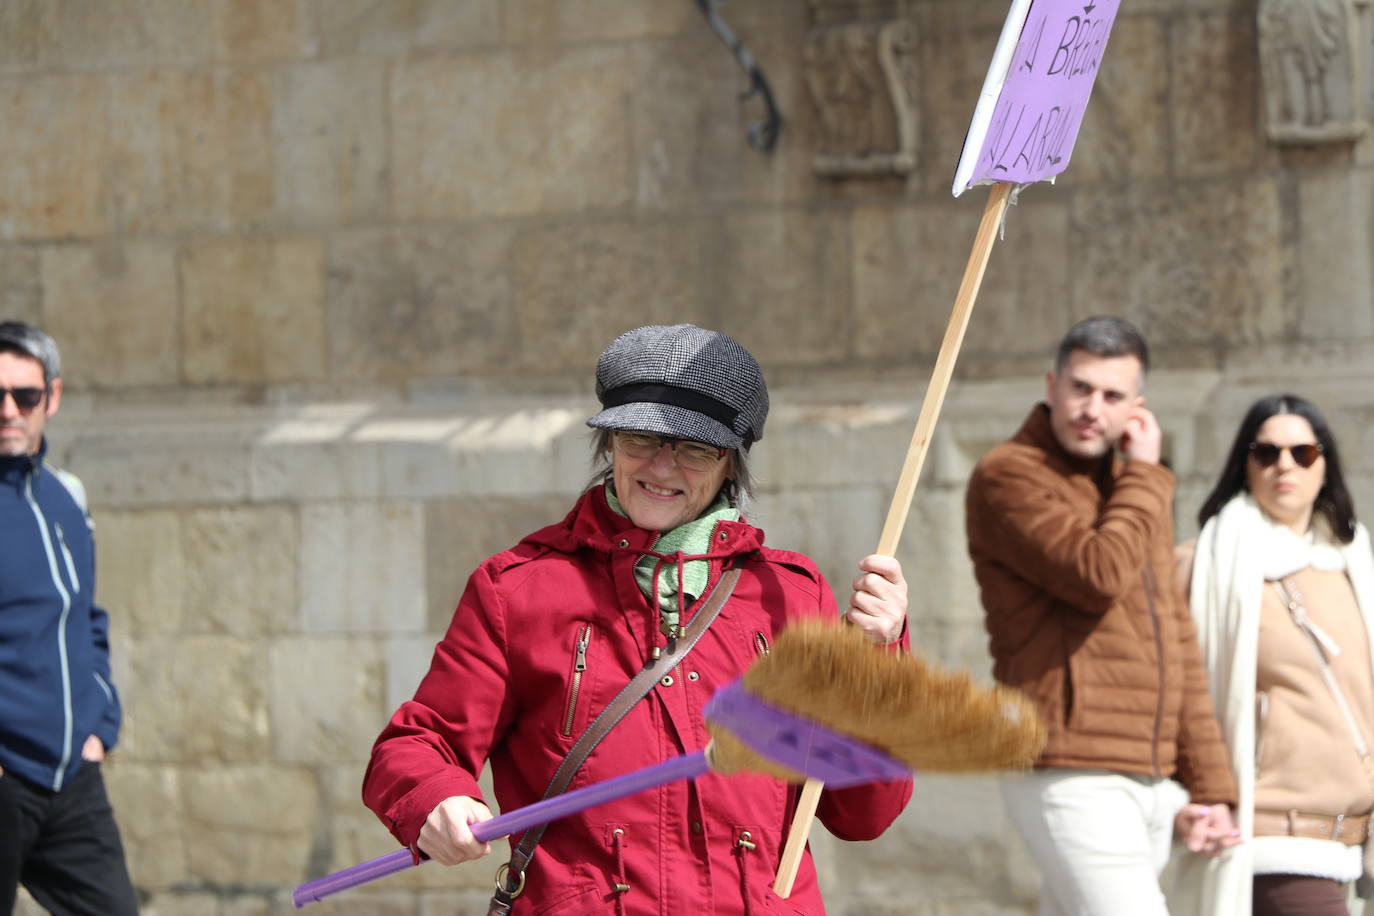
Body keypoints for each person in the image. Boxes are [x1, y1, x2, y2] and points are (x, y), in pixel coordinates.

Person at [362, 323, 913, 915]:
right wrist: (437, 798)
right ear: (610, 445)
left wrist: (877, 661)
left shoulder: (790, 595)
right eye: (640, 438)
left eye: (696, 448)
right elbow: (416, 746)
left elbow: (863, 814)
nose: (663, 466)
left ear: (731, 464)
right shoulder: (518, 588)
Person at [963, 315, 1240, 916]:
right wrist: (1145, 474)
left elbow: (1175, 635)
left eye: (1112, 395)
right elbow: (1098, 574)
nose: (1093, 408)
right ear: (1051, 385)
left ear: (1135, 407)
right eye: (1080, 388)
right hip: (1066, 768)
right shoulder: (1008, 475)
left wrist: (1210, 786)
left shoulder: (1130, 491)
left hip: (1148, 776)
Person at [1169, 394, 1374, 916]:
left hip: (1352, 843)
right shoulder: (1205, 566)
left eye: (1303, 453)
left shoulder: (1355, 565)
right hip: (1269, 838)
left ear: (1325, 465)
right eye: (1267, 453)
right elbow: (1169, 695)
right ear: (1246, 464)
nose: (1285, 464)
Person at [0, 321, 139, 915]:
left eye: (24, 396)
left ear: (51, 398)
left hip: (71, 778)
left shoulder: (67, 496)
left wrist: (100, 722)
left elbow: (86, 618)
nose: (8, 411)